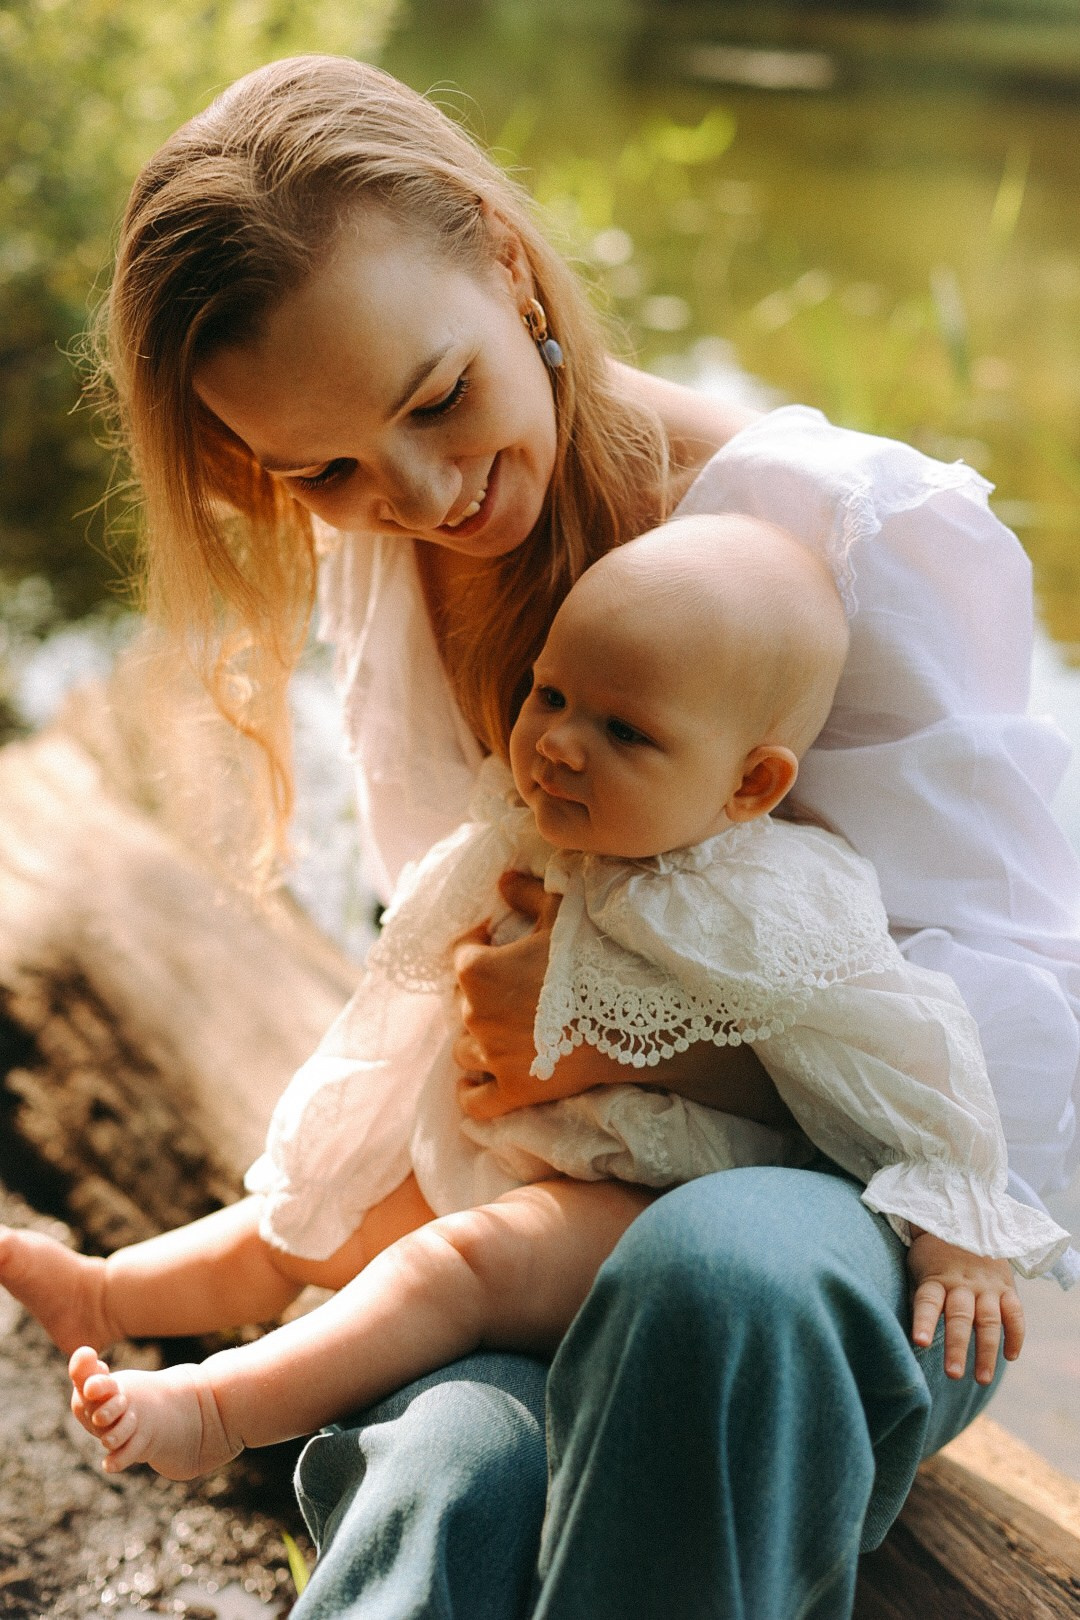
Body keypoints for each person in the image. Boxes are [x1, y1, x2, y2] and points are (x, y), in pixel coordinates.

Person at [2, 51, 1078, 1618]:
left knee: (712, 1276)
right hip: (548, 1208)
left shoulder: (838, 539)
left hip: (850, 1240)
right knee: (459, 1465)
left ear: (510, 264)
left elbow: (1045, 1063)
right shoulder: (387, 561)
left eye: (438, 398)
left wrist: (631, 1045)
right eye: (326, 470)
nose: (426, 493)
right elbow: (465, 951)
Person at [59, 514, 1068, 1480]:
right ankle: (105, 1292)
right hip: (527, 1150)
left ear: (751, 786)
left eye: (625, 731)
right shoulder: (544, 827)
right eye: (549, 694)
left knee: (452, 1267)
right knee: (312, 1212)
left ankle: (213, 1414)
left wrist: (957, 1236)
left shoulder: (765, 894)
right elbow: (413, 964)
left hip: (644, 1205)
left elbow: (908, 1052)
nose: (558, 743)